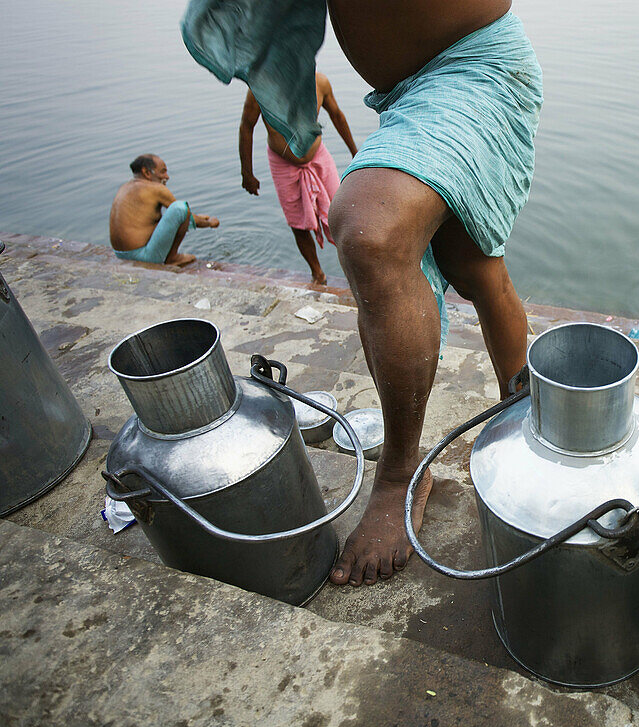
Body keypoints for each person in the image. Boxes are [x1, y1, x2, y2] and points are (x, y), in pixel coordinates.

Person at [182, 0, 542, 588]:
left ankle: (403, 473)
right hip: (409, 97)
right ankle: (526, 419)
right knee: (473, 267)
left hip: (476, 69)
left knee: (371, 232)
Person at [238, 72, 358, 285]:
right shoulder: (260, 87)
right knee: (298, 223)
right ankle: (317, 273)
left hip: (318, 156)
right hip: (283, 163)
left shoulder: (319, 82)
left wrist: (355, 152)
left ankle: (356, 273)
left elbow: (337, 115)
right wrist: (247, 172)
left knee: (341, 214)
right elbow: (247, 126)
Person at [109, 155, 219, 266]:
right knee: (180, 207)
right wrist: (209, 223)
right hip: (143, 257)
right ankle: (173, 258)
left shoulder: (125, 188)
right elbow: (183, 213)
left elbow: (162, 221)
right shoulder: (156, 189)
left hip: (121, 255)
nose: (167, 177)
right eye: (162, 172)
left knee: (178, 212)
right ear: (146, 172)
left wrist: (198, 218)